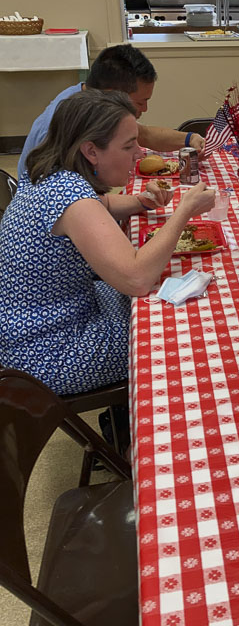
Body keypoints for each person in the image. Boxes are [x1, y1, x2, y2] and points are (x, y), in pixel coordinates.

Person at [0, 89, 214, 396]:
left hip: (32, 329)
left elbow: (103, 205)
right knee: (176, 329)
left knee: (161, 299)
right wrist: (184, 211)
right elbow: (136, 278)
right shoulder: (70, 197)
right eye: (128, 146)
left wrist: (141, 201)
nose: (139, 153)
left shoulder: (52, 177)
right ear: (91, 151)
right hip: (47, 352)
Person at [17, 43, 205, 177]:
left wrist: (190, 139)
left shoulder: (89, 100)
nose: (145, 109)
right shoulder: (65, 129)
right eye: (140, 102)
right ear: (112, 94)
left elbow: (144, 135)